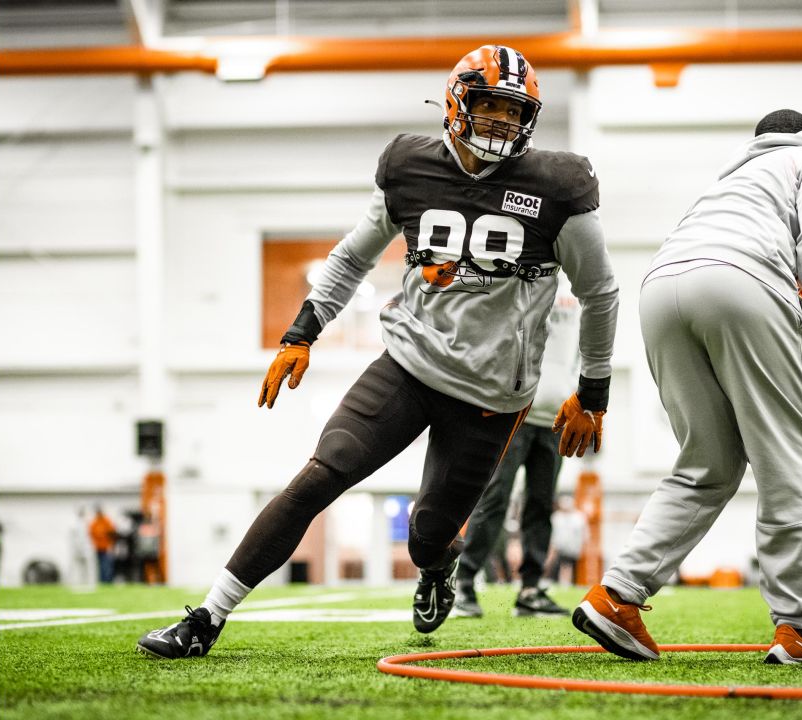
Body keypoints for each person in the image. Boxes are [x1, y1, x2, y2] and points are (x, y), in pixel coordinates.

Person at [137, 44, 619, 659]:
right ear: (455, 101)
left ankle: (436, 567)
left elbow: (600, 293)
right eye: (489, 105)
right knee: (320, 475)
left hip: (492, 396)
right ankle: (206, 617)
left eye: (512, 110)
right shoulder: (409, 166)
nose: (500, 120)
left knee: (428, 536)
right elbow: (353, 255)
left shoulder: (559, 184)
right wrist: (301, 331)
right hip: (409, 364)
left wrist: (594, 390)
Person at [572, 109, 802, 665]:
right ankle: (797, 627)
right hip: (743, 281)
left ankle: (618, 595)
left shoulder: (727, 179)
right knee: (787, 457)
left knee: (709, 463)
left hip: (662, 287)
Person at [453, 278, 582, 618]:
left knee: (541, 504)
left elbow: (582, 353)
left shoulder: (581, 289)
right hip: (515, 413)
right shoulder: (523, 277)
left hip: (556, 418)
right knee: (495, 498)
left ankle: (530, 588)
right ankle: (464, 581)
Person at [546, 494, 587, 586]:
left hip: (571, 547)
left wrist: (582, 546)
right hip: (556, 546)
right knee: (553, 564)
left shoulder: (578, 517)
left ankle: (565, 583)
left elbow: (583, 533)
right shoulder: (556, 517)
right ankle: (550, 580)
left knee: (567, 565)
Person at [87, 506, 117, 584]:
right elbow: (91, 535)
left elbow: (112, 534)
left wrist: (111, 546)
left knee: (107, 565)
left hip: (106, 548)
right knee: (100, 566)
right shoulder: (94, 523)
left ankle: (108, 581)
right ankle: (101, 581)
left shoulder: (107, 521)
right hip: (98, 548)